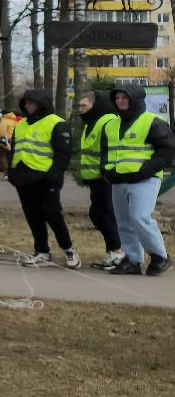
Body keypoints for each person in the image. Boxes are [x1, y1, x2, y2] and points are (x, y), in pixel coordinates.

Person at [100, 84, 175, 276]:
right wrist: (106, 171)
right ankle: (133, 260)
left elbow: (166, 152)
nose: (120, 101)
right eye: (117, 98)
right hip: (118, 180)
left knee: (140, 218)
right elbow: (105, 153)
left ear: (135, 99)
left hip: (145, 180)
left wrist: (145, 170)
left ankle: (160, 256)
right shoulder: (110, 125)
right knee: (123, 222)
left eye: (124, 97)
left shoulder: (153, 122)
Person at [7, 90, 78, 268]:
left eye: (32, 103)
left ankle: (69, 249)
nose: (28, 106)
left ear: (42, 104)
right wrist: (12, 172)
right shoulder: (21, 124)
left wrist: (54, 175)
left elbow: (63, 154)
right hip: (24, 178)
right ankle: (42, 251)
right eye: (26, 103)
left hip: (46, 178)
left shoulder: (56, 123)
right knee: (33, 216)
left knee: (53, 215)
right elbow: (15, 149)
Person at [75, 91, 126, 270]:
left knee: (103, 214)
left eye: (84, 106)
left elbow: (111, 149)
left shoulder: (107, 121)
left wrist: (107, 172)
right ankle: (114, 251)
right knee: (100, 214)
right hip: (95, 178)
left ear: (95, 106)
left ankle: (118, 251)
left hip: (105, 177)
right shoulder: (92, 123)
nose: (80, 109)